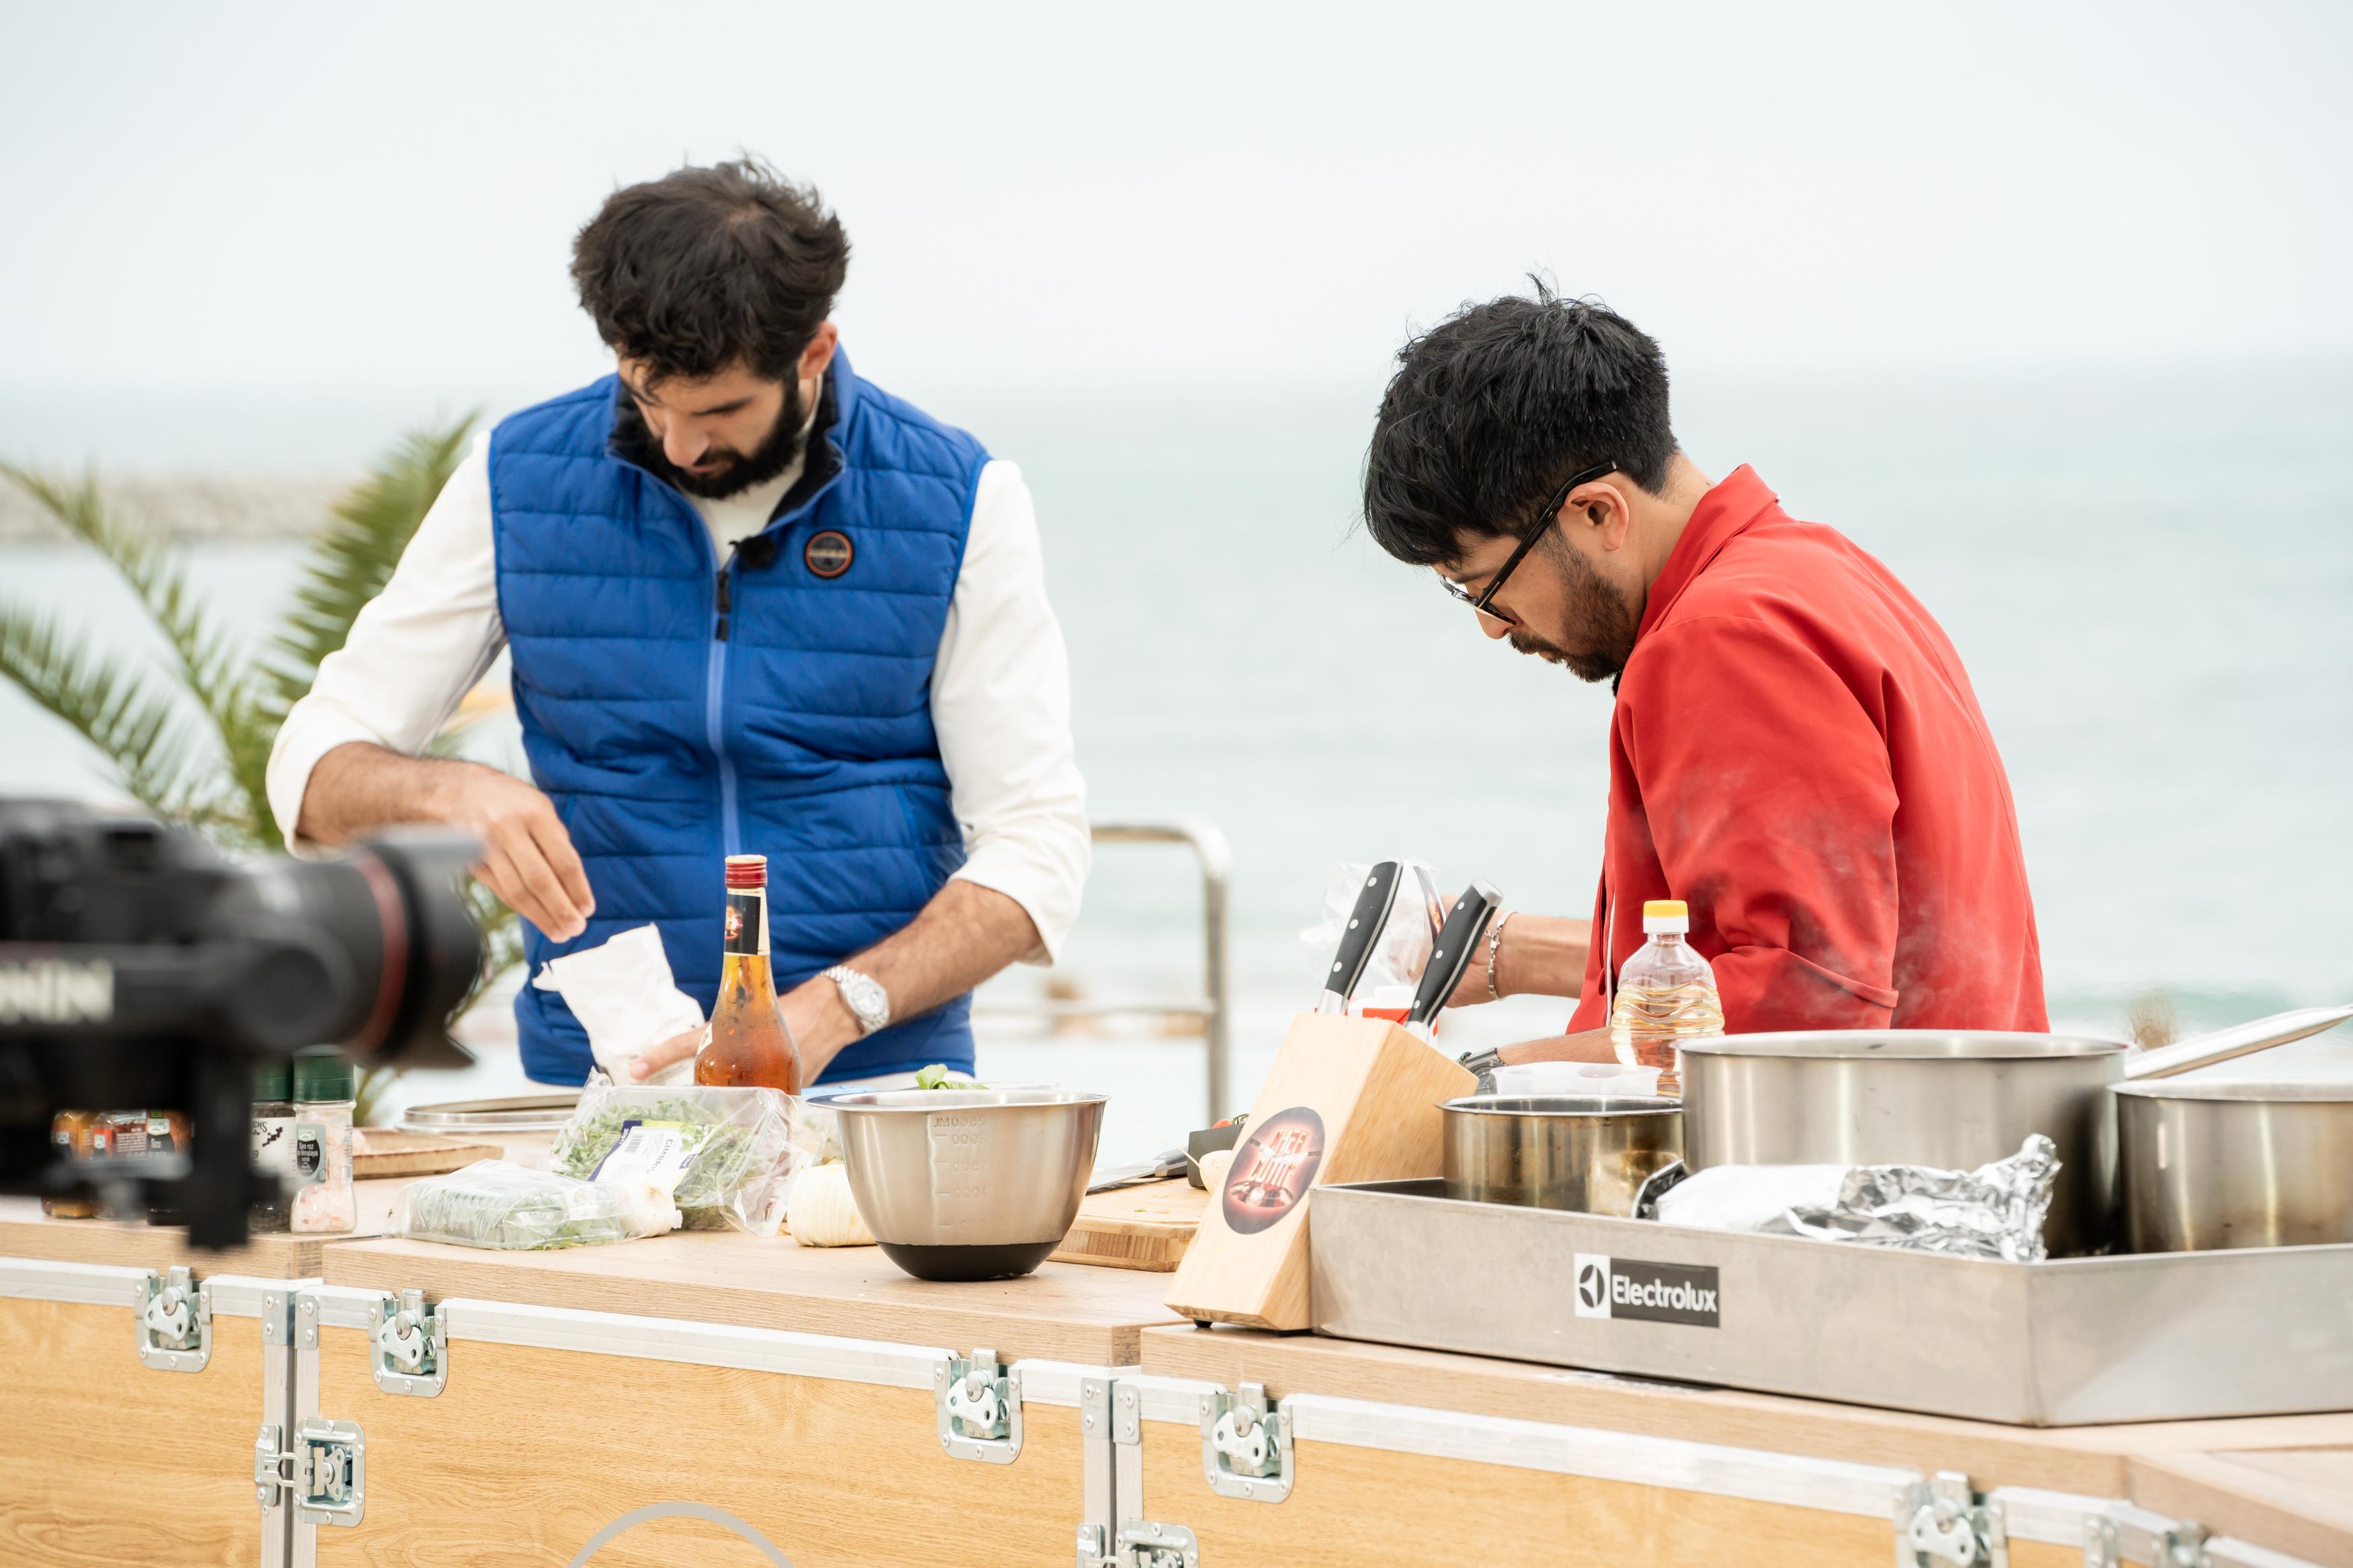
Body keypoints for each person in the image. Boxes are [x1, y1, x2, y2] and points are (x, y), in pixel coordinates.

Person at [267, 159, 1088, 1089]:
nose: (679, 443)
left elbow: (1038, 847)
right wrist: (449, 796)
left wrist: (835, 1010)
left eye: (721, 410)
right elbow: (308, 768)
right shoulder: (514, 477)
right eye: (646, 395)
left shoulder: (961, 497)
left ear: (813, 352)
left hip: (876, 1089)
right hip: (597, 1092)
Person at [1361, 285, 2044, 1066]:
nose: (1490, 623)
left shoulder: (1717, 639)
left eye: (1484, 584)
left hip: (1863, 1139)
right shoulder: (1818, 571)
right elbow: (1811, 949)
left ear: (1597, 512)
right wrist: (1508, 954)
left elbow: (1803, 1000)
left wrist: (1489, 1079)